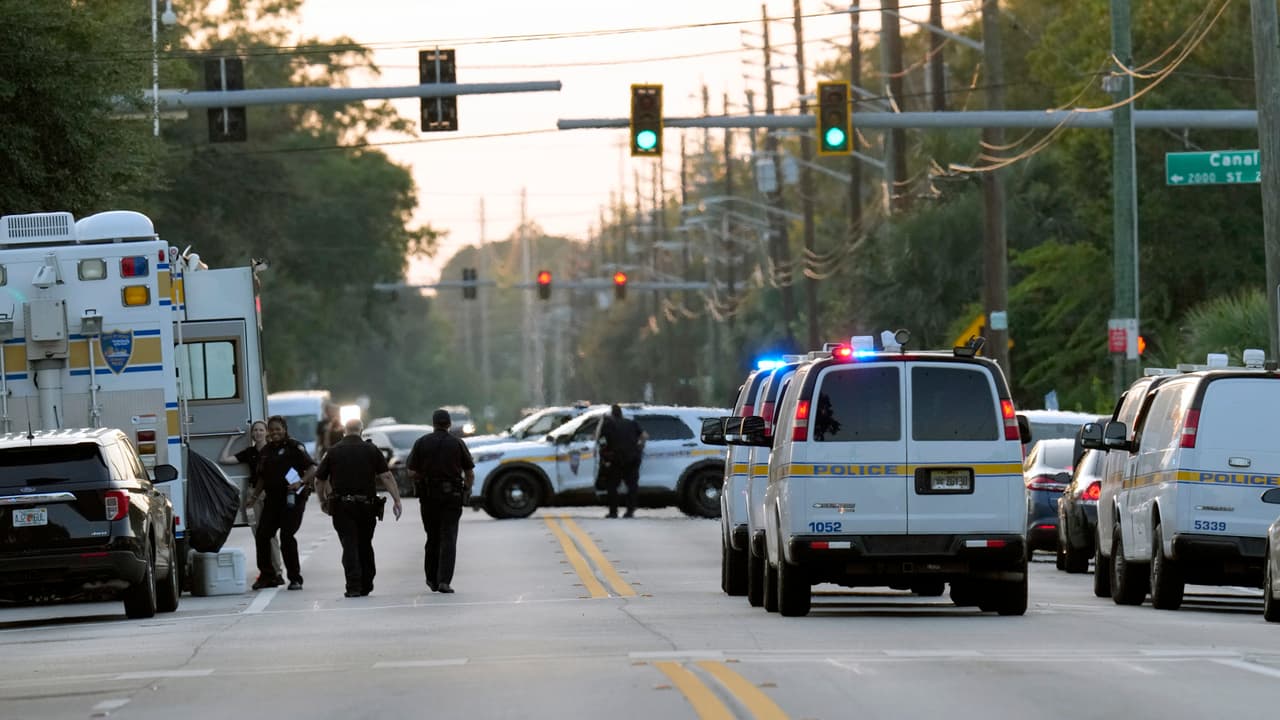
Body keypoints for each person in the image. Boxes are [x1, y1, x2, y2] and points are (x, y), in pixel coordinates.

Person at [315, 418, 402, 598]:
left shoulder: (333, 451)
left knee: (349, 544)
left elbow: (319, 480)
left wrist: (322, 501)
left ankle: (353, 586)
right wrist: (397, 499)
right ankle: (367, 583)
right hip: (366, 506)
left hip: (342, 507)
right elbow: (386, 476)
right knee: (365, 543)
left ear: (344, 431)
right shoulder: (372, 450)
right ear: (361, 431)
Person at [244, 416, 316, 591]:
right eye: (272, 429)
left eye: (278, 429)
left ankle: (295, 578)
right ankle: (268, 575)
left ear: (284, 429)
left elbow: (313, 468)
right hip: (272, 499)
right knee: (262, 535)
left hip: (293, 499)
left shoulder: (294, 447)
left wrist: (301, 482)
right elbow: (261, 477)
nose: (275, 432)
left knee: (286, 536)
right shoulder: (266, 451)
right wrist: (253, 498)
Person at [406, 408, 475, 594]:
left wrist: (425, 475)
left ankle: (431, 578)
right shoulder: (457, 443)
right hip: (452, 497)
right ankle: (444, 580)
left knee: (432, 537)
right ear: (449, 424)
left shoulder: (421, 443)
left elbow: (411, 472)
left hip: (428, 497)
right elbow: (469, 472)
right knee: (449, 537)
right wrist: (467, 490)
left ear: (434, 423)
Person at [219, 421, 283, 584]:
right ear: (252, 434)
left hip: (270, 493)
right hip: (253, 494)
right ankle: (266, 571)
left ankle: (277, 570)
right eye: (255, 430)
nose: (258, 433)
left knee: (271, 535)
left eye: (261, 430)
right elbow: (224, 459)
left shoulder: (274, 450)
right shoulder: (250, 452)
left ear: (266, 433)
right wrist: (232, 440)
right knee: (257, 533)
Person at [596, 404, 647, 518]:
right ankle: (630, 511)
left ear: (612, 414)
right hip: (632, 458)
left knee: (612, 486)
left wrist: (602, 421)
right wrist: (639, 447)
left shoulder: (608, 425)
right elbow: (644, 435)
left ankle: (613, 512)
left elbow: (600, 439)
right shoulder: (631, 423)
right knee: (632, 486)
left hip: (616, 459)